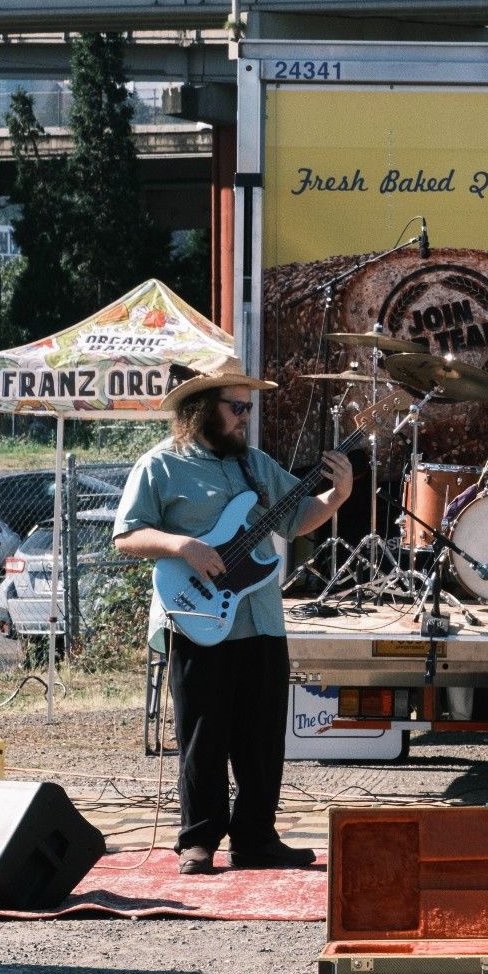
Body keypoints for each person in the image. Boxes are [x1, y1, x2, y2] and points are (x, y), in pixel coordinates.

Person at [114, 359, 353, 875]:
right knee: (204, 732)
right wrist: (182, 546)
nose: (246, 415)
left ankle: (256, 838)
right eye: (236, 406)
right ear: (202, 408)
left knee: (262, 736)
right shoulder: (161, 464)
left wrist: (336, 496)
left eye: (249, 406)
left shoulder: (255, 463)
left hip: (261, 619)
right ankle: (198, 840)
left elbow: (296, 518)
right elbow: (127, 535)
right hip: (193, 617)